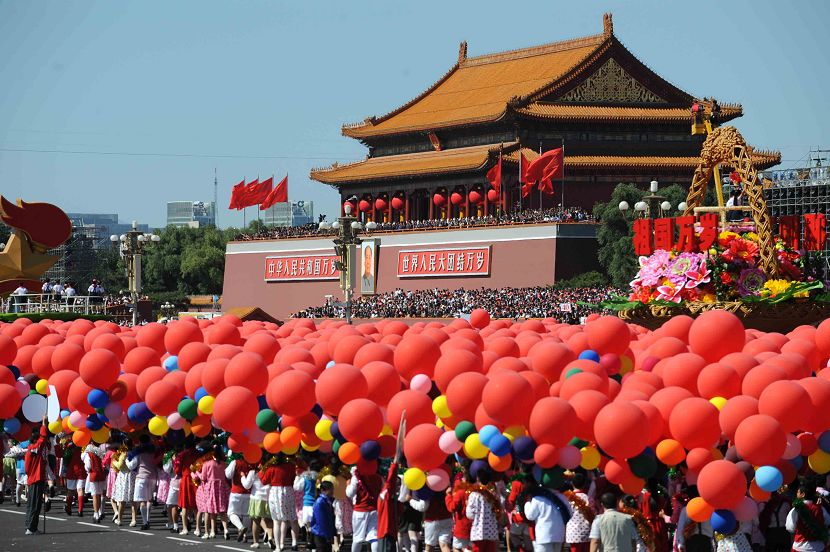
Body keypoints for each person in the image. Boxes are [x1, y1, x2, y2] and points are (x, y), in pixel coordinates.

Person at [523, 480, 573, 552]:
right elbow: (569, 514)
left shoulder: (538, 499)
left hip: (543, 535)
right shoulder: (562, 497)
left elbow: (530, 516)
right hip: (559, 535)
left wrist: (527, 503)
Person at [194, 444, 230, 539]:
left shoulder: (207, 464)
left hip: (210, 488)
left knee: (209, 511)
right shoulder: (224, 464)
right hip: (221, 487)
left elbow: (203, 477)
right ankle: (226, 530)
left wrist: (196, 472)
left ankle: (209, 532)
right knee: (221, 511)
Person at [785, 478, 830, 552]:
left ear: (803, 494)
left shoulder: (795, 510)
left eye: (798, 492)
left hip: (800, 547)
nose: (796, 494)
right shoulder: (820, 509)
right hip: (818, 547)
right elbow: (828, 522)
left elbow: (790, 528)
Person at [346, 464, 384, 552]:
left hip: (360, 511)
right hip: (374, 510)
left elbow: (350, 493)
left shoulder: (357, 477)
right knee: (374, 537)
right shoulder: (378, 477)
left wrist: (348, 485)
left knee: (357, 538)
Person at [466, 468, 503, 552]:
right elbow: (498, 511)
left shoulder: (474, 494)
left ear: (478, 479)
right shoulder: (494, 494)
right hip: (491, 531)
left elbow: (470, 515)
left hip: (479, 531)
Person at [23, 416, 49, 535]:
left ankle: (31, 526)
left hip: (34, 478)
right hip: (36, 479)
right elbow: (43, 439)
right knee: (34, 504)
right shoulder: (34, 448)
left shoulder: (31, 450)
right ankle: (31, 527)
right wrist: (44, 424)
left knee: (35, 504)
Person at [127, 434, 157, 530]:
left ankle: (145, 522)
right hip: (152, 477)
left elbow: (131, 466)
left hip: (142, 478)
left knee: (142, 501)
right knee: (149, 499)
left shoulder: (138, 453)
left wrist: (127, 460)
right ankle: (148, 520)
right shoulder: (153, 452)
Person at [243, 457, 272, 550]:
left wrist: (242, 477)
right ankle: (271, 538)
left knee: (256, 521)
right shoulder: (270, 471)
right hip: (267, 498)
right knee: (268, 521)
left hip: (256, 498)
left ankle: (256, 542)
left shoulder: (253, 473)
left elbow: (247, 485)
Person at [676, 486, 714, 552]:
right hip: (706, 540)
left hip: (691, 541)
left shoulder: (686, 509)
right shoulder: (708, 507)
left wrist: (681, 544)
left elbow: (681, 527)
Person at [565, 473, 594, 552]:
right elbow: (592, 514)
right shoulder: (588, 498)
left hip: (572, 533)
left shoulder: (567, 498)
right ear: (584, 484)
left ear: (572, 483)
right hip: (586, 532)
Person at [446, 470, 474, 552]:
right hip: (474, 526)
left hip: (462, 526)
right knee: (470, 548)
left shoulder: (460, 493)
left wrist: (448, 496)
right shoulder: (476, 491)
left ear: (465, 479)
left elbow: (452, 507)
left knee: (456, 548)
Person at [226, 454, 253, 541]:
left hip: (236, 492)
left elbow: (228, 475)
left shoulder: (235, 462)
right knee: (246, 515)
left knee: (231, 513)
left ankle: (240, 527)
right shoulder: (252, 463)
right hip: (248, 493)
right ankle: (245, 535)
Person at [376, 459, 400, 552]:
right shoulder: (385, 493)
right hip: (386, 532)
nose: (397, 486)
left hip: (390, 532)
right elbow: (390, 482)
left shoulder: (389, 496)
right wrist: (395, 464)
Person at [82, 442, 107, 523]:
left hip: (93, 475)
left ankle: (96, 513)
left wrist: (87, 470)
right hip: (102, 474)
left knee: (95, 495)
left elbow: (88, 466)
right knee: (99, 494)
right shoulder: (101, 451)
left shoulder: (88, 453)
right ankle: (99, 513)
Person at [62, 437, 87, 516]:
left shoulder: (69, 444)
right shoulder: (85, 445)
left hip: (72, 469)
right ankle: (80, 510)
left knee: (70, 491)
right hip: (81, 469)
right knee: (80, 490)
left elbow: (64, 457)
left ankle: (69, 508)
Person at [311, 480, 337, 552]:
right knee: (321, 549)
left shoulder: (328, 500)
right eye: (330, 489)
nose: (332, 491)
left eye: (332, 489)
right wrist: (328, 536)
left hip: (326, 532)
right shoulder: (320, 502)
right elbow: (321, 521)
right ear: (323, 490)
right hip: (320, 532)